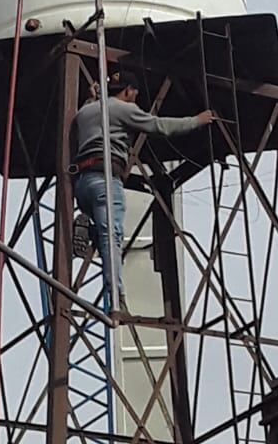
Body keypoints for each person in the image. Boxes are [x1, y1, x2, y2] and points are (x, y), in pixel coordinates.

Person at [70, 69, 214, 315]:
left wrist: (91, 98)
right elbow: (159, 126)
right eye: (134, 94)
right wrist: (197, 121)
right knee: (112, 238)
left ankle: (87, 223)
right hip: (107, 179)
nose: (135, 99)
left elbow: (88, 116)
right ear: (128, 91)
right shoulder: (122, 109)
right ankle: (117, 300)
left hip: (82, 185)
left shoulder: (84, 112)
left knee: (103, 232)